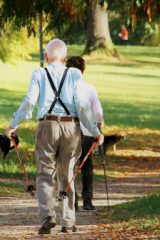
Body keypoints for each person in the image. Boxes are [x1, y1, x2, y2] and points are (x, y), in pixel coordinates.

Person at [5, 39, 104, 234]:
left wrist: (13, 125)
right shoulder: (75, 74)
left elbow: (30, 101)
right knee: (67, 174)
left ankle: (48, 216)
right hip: (71, 127)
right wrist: (95, 131)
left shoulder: (39, 73)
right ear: (65, 58)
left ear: (46, 57)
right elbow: (83, 107)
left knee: (44, 173)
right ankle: (68, 221)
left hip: (46, 126)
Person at [65, 56, 104, 212]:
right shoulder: (89, 88)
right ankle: (87, 201)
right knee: (87, 166)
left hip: (68, 131)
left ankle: (72, 202)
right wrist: (99, 127)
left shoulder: (64, 89)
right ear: (83, 71)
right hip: (87, 132)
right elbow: (98, 112)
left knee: (69, 166)